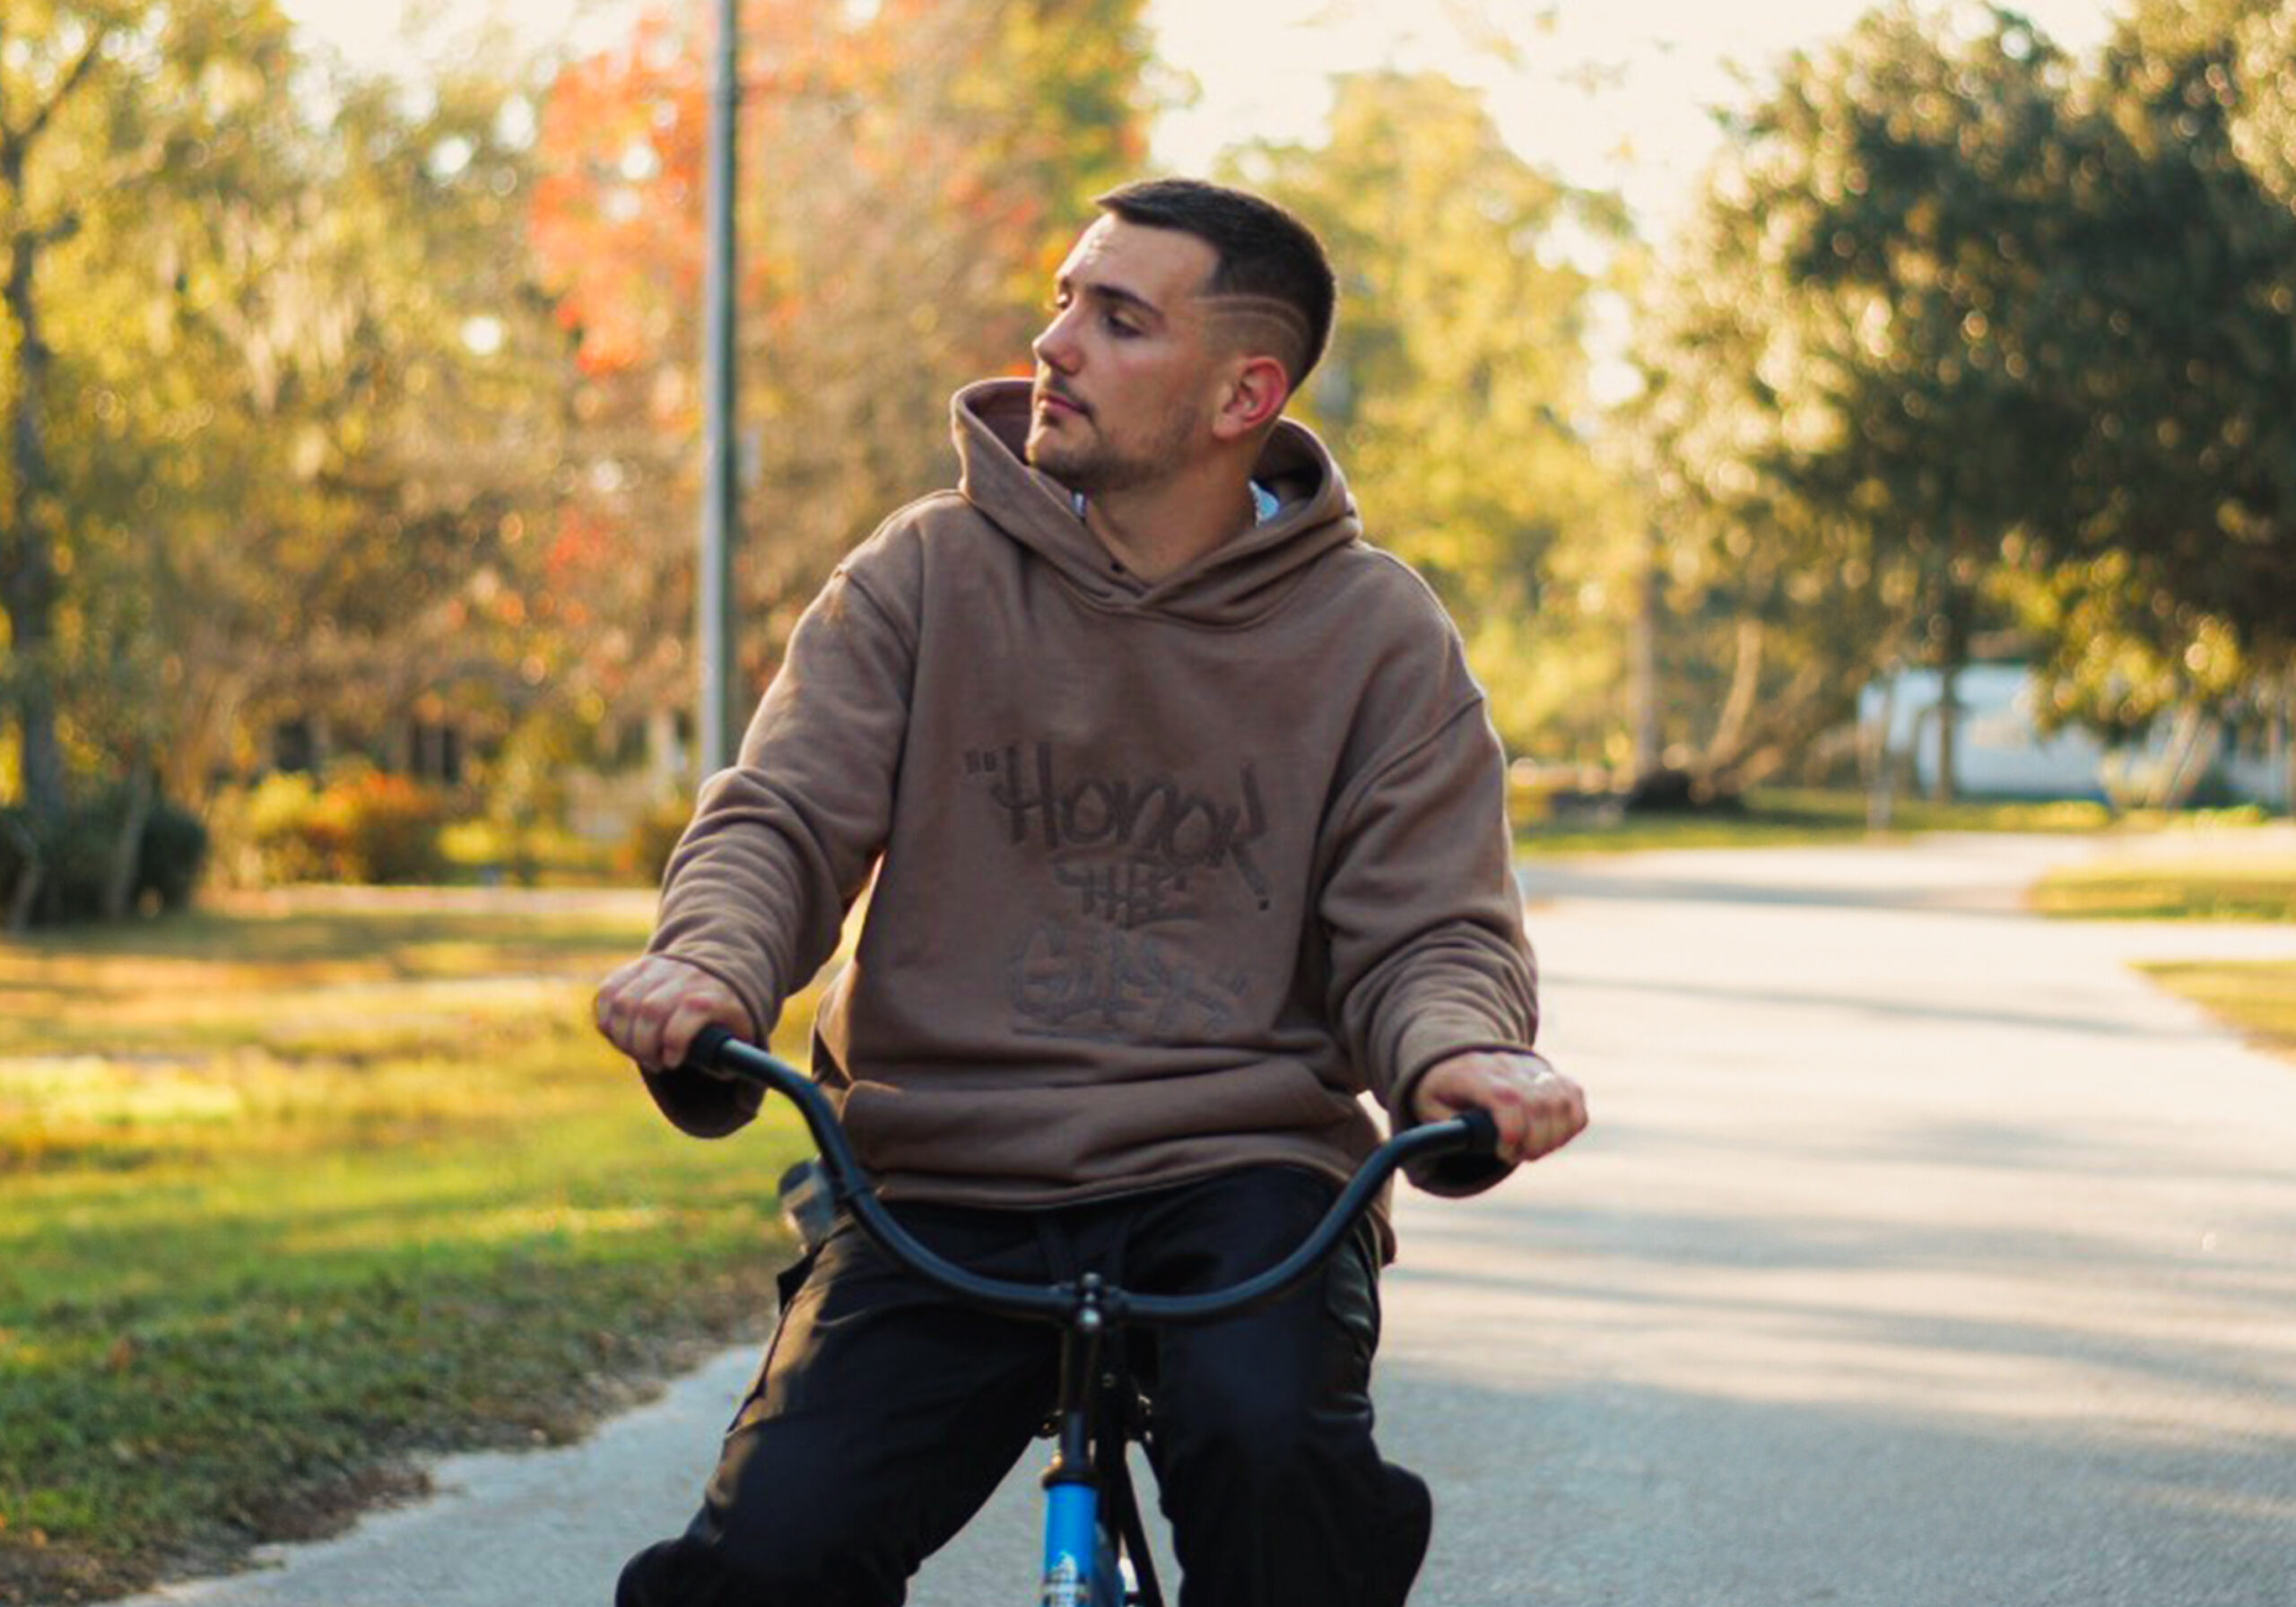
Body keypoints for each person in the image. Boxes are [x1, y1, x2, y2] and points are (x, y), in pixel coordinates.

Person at [595, 177, 1587, 1607]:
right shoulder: (923, 572)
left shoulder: (1377, 635)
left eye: (1117, 319)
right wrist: (709, 966)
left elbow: (1429, 927)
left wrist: (1462, 1054)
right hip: (938, 1176)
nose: (1053, 344)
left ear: (1246, 390)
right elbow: (786, 816)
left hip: (1242, 1179)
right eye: (1065, 299)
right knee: (767, 1561)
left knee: (1279, 1480)